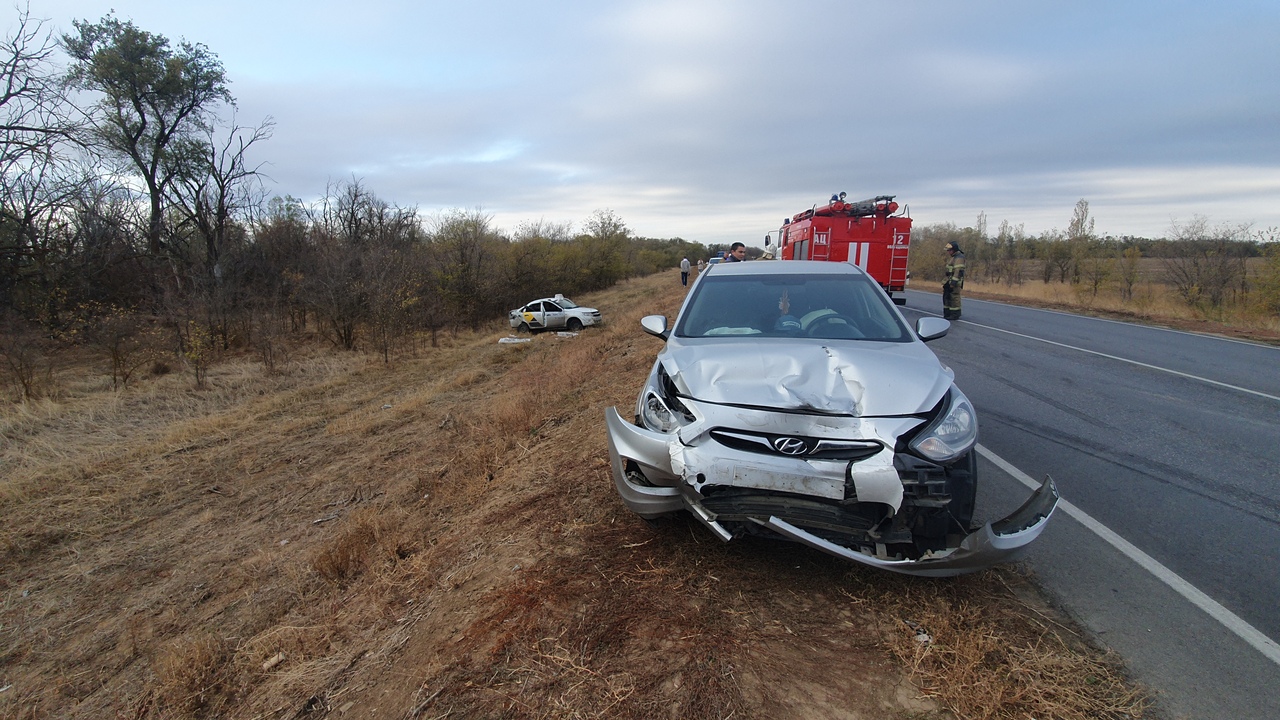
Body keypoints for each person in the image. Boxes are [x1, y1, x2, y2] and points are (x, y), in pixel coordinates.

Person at [943, 241, 965, 320]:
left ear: (954, 249)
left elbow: (957, 271)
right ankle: (948, 313)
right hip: (949, 280)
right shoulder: (954, 257)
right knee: (947, 297)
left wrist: (953, 283)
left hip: (954, 282)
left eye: (950, 250)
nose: (948, 252)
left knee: (954, 298)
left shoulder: (959, 258)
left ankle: (955, 314)